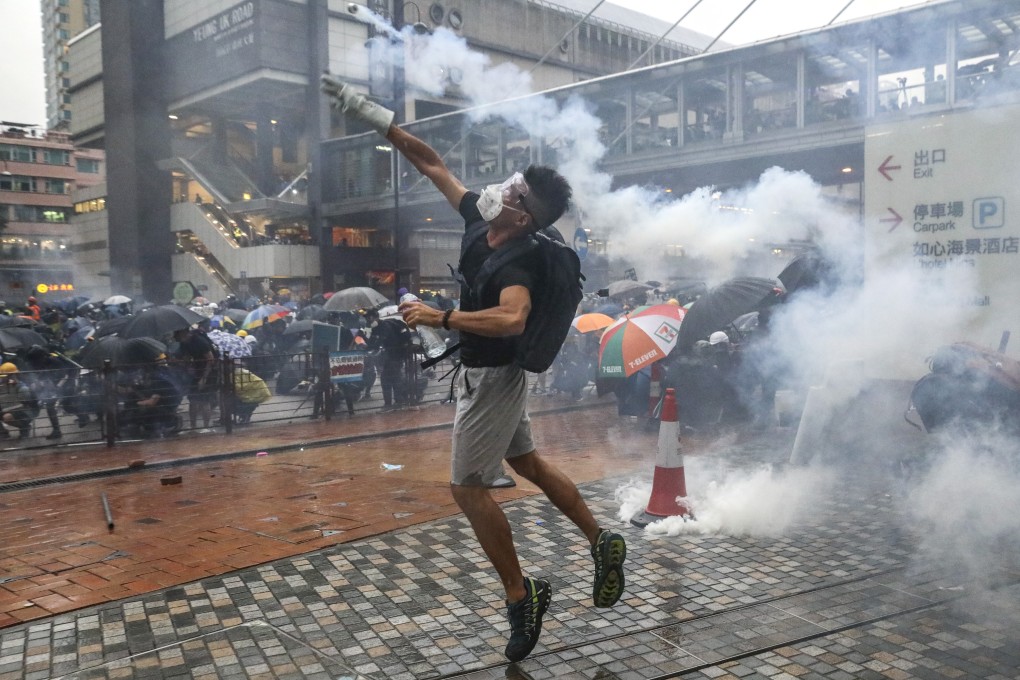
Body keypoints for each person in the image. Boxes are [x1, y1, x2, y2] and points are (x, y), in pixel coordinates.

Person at [321, 73, 626, 662]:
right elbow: (430, 161)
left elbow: (512, 320)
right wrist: (371, 114)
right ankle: (601, 538)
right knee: (526, 461)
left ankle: (522, 594)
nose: (499, 186)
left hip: (494, 379)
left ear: (523, 215)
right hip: (488, 376)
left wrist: (442, 318)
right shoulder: (479, 221)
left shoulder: (521, 259)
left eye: (511, 188)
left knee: (466, 488)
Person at [172, 325, 218, 430]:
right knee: (193, 399)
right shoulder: (184, 344)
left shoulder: (200, 341)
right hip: (195, 372)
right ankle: (193, 427)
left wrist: (204, 378)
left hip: (208, 372)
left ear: (183, 333)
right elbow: (187, 360)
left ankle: (206, 427)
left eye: (176, 334)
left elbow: (210, 360)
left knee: (204, 400)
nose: (175, 337)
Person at [0, 362, 39, 439]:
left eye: (4, 376)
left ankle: (25, 428)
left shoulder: (22, 387)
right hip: (11, 409)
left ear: (12, 375)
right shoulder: (5, 385)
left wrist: (5, 410)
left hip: (26, 412)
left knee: (7, 417)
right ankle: (3, 432)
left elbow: (23, 406)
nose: (2, 378)